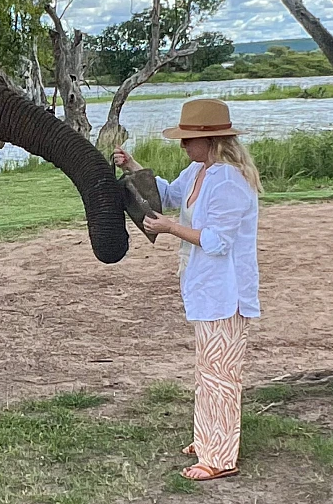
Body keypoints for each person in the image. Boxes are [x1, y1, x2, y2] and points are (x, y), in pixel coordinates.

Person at [114, 98, 262, 482]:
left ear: (211, 139)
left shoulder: (228, 181)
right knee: (207, 369)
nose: (182, 146)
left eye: (187, 140)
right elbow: (171, 196)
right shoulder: (200, 171)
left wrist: (169, 228)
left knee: (221, 374)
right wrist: (133, 167)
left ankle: (219, 456)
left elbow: (217, 241)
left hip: (225, 291)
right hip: (205, 287)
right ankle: (209, 435)